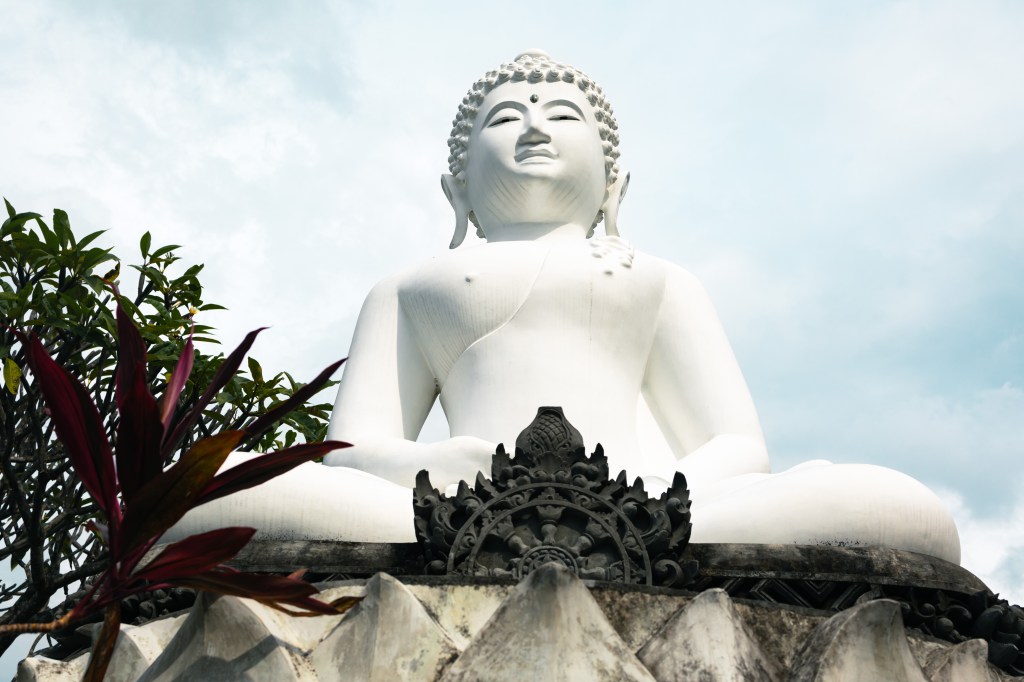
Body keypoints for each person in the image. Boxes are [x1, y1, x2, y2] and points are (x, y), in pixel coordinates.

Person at [172, 51, 961, 563]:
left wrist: (664, 498)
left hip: (649, 509)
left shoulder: (655, 279)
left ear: (613, 185)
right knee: (201, 495)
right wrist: (435, 469)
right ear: (456, 188)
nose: (534, 128)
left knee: (905, 511)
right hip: (450, 510)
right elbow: (350, 452)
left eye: (561, 116)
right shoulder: (410, 288)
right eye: (506, 119)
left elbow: (733, 443)